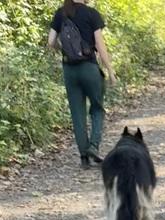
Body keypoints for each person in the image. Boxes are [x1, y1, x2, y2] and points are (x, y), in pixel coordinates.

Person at [47, 0, 117, 168]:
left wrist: (63, 48)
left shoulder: (60, 13)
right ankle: (93, 146)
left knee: (77, 114)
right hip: (89, 68)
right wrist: (110, 70)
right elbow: (100, 45)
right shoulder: (91, 14)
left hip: (69, 70)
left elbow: (50, 42)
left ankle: (84, 158)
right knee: (97, 108)